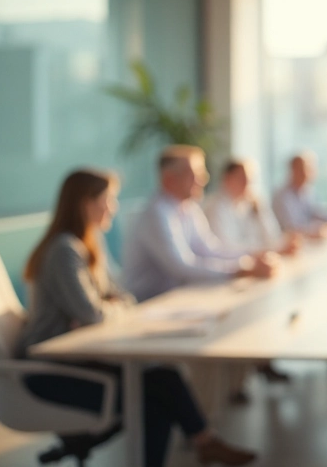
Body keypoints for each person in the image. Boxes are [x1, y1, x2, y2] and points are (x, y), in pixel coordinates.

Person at [15, 169, 256, 467]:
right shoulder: (65, 250)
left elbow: (123, 297)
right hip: (49, 370)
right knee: (152, 402)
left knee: (165, 377)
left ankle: (206, 442)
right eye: (109, 199)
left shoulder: (90, 244)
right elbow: (91, 314)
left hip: (78, 361)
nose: (113, 207)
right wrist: (105, 310)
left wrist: (108, 309)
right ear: (85, 203)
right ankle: (206, 443)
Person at [124, 145, 276, 303]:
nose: (204, 179)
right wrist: (241, 270)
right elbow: (182, 268)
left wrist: (252, 257)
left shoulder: (189, 208)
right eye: (195, 174)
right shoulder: (156, 214)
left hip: (181, 299)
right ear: (169, 179)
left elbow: (211, 250)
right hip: (148, 307)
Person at [204, 157, 297, 386]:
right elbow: (223, 248)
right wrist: (261, 254)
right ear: (227, 179)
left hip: (247, 272)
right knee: (248, 315)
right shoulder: (216, 207)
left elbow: (271, 237)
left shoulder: (249, 204)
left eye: (251, 179)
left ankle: (262, 363)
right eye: (243, 178)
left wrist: (261, 209)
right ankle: (241, 378)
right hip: (223, 279)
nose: (249, 184)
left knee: (266, 308)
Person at [272, 152, 327, 238]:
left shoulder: (308, 192)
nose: (310, 173)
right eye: (306, 169)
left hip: (307, 241)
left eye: (311, 169)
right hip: (289, 243)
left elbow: (318, 214)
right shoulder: (281, 196)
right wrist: (316, 230)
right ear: (293, 170)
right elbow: (291, 228)